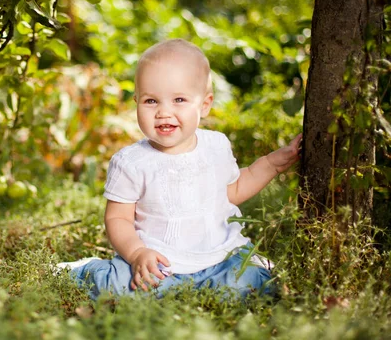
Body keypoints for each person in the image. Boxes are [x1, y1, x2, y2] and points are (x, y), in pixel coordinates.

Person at [58, 38, 301, 300]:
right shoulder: (131, 161)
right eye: (151, 101)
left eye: (179, 99)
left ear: (204, 105)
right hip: (159, 263)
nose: (164, 111)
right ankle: (87, 271)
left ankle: (231, 283)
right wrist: (137, 253)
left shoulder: (216, 146)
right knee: (119, 288)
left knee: (253, 285)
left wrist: (273, 163)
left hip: (221, 257)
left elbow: (234, 190)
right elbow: (118, 219)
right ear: (136, 101)